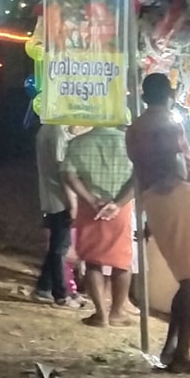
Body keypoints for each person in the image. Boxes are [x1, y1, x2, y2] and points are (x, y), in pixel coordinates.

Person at [126, 73, 190, 374]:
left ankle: (172, 348)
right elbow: (178, 167)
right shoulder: (168, 123)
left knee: (186, 280)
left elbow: (139, 171)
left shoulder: (134, 128)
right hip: (179, 197)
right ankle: (182, 353)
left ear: (144, 98)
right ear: (170, 95)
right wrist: (175, 183)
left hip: (154, 202)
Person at [62, 125, 136, 327]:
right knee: (122, 261)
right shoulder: (131, 142)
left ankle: (100, 314)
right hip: (121, 208)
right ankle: (117, 313)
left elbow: (69, 175)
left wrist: (91, 200)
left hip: (90, 209)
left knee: (93, 261)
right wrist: (118, 203)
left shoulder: (77, 143)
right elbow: (140, 178)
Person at [33, 118, 75, 305]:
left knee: (57, 246)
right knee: (61, 247)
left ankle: (44, 287)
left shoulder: (47, 129)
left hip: (53, 195)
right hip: (59, 197)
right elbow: (63, 170)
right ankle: (61, 294)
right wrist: (72, 201)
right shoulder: (57, 131)